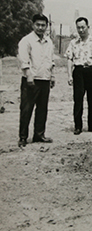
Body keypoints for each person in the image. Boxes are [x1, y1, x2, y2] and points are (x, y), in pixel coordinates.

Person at [17, 13, 55, 147]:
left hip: (45, 78)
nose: (40, 27)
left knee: (42, 109)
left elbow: (51, 60)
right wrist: (29, 76)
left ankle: (39, 135)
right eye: (38, 25)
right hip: (31, 80)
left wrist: (52, 76)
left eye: (43, 25)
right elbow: (24, 60)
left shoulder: (49, 41)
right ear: (33, 25)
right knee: (26, 109)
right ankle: (23, 137)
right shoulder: (26, 41)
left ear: (47, 26)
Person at [65, 17, 92, 135]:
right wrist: (69, 75)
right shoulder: (73, 43)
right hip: (78, 71)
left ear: (88, 27)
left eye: (83, 27)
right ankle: (78, 126)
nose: (81, 30)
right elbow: (69, 59)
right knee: (78, 99)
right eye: (79, 28)